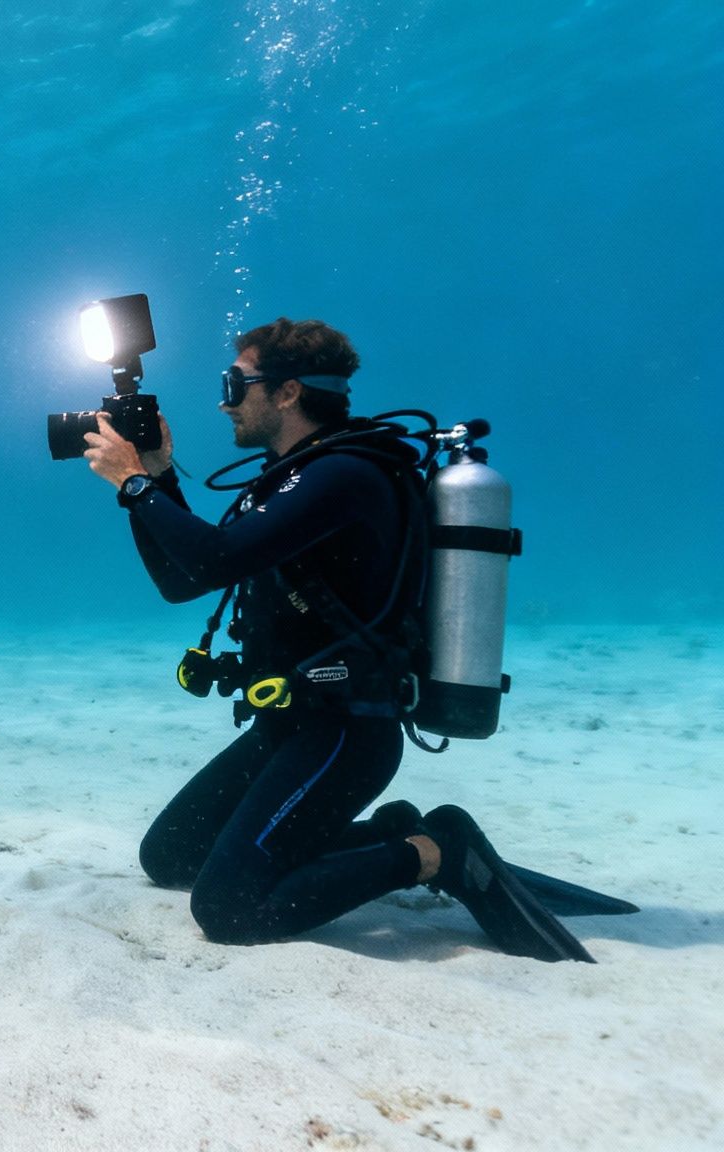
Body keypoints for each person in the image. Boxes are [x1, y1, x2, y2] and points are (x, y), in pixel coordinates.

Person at [78, 317, 596, 960]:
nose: (223, 400)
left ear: (288, 392)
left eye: (235, 384)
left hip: (345, 733)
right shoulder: (293, 477)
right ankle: (393, 833)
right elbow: (183, 582)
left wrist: (133, 483)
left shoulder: (345, 474)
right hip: (290, 722)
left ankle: (438, 854)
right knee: (172, 855)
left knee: (229, 908)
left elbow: (211, 562)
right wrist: (156, 481)